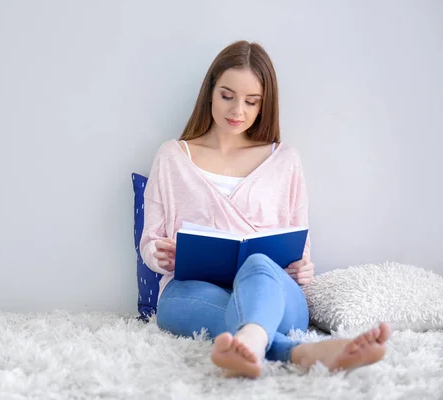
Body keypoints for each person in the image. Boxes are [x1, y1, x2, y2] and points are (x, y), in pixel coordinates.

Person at [139, 40, 391, 378]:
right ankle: (298, 351)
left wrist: (303, 270)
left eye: (251, 101)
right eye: (227, 96)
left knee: (258, 264)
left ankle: (255, 342)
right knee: (180, 302)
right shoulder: (172, 157)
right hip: (190, 292)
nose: (237, 111)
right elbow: (150, 241)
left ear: (263, 105)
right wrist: (158, 255)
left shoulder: (284, 160)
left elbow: (300, 250)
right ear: (210, 92)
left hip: (275, 293)